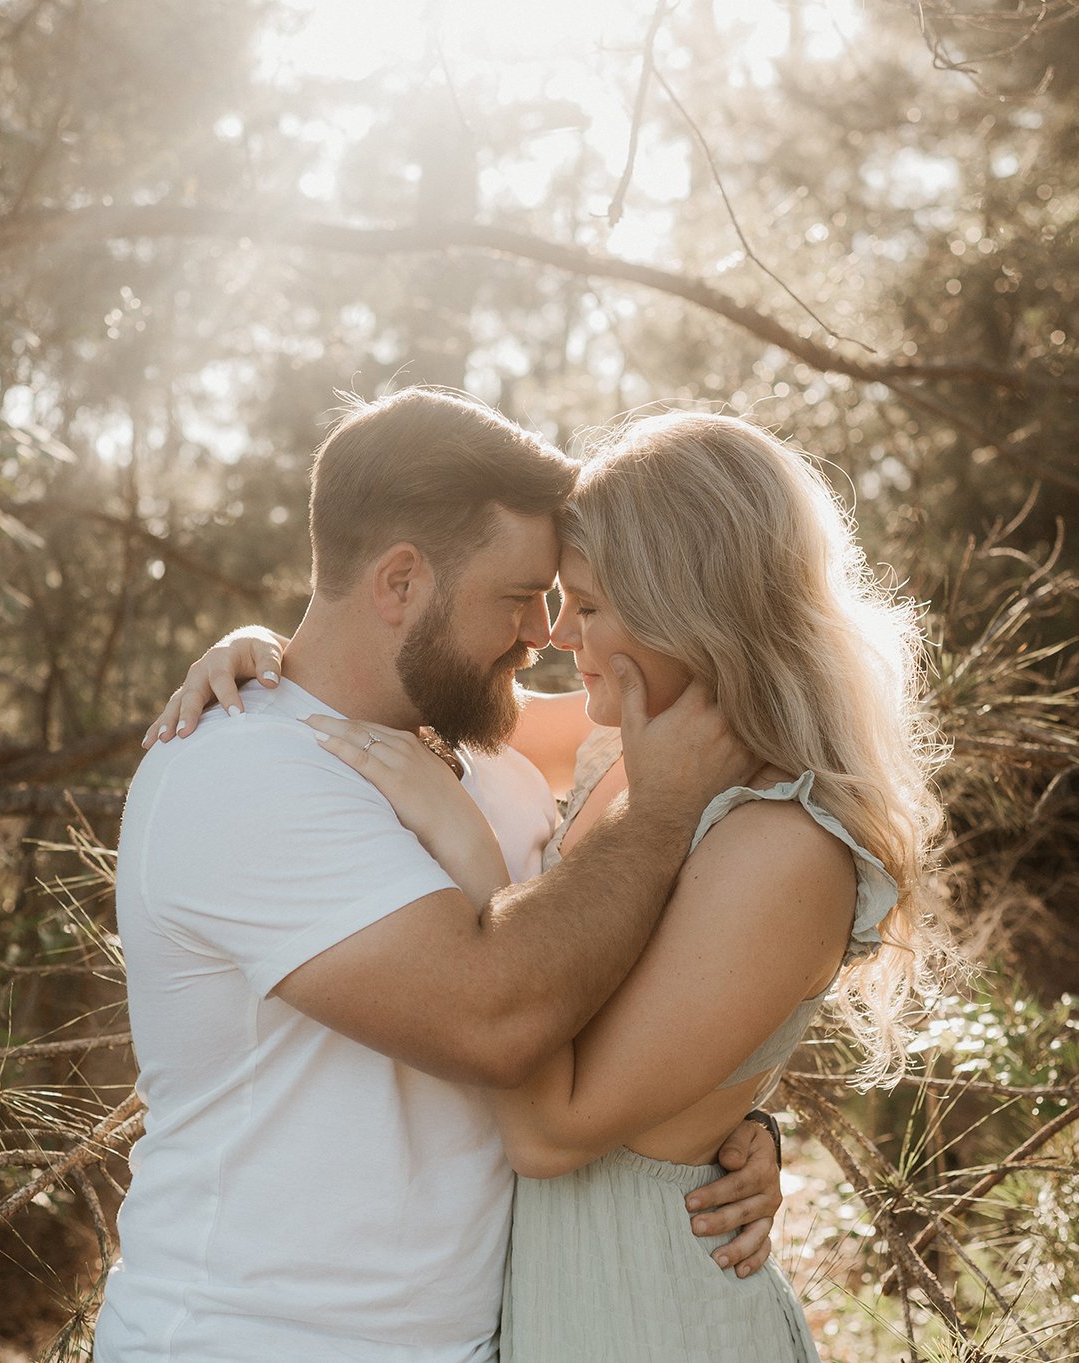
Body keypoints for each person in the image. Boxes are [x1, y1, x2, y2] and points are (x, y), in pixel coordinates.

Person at [153, 410, 949, 1361]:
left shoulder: (721, 820)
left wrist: (727, 1117)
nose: (550, 635)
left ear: (684, 609)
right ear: (401, 580)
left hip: (635, 1315)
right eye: (532, 596)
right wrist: (261, 655)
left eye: (582, 602)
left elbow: (570, 1097)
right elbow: (337, 680)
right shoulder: (568, 756)